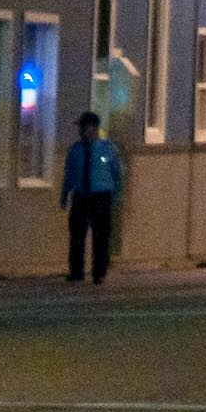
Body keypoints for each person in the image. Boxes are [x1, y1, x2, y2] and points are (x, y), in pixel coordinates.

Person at [62, 108, 124, 282]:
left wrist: (117, 195)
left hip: (100, 197)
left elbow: (117, 173)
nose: (80, 131)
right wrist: (64, 195)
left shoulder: (108, 149)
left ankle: (99, 272)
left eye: (83, 127)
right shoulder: (75, 150)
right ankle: (76, 271)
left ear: (93, 128)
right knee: (77, 235)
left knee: (101, 236)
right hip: (81, 196)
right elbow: (69, 174)